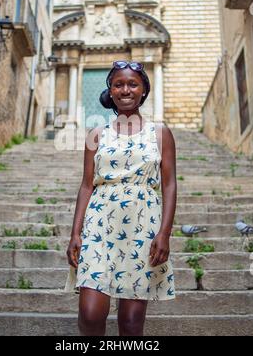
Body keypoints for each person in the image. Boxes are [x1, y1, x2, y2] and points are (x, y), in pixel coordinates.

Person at [64, 60, 177, 336]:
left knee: (131, 322)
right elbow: (86, 185)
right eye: (118, 84)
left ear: (143, 90)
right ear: (111, 91)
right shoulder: (96, 134)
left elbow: (170, 184)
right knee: (90, 314)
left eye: (132, 84)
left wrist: (164, 234)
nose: (125, 89)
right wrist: (75, 233)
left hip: (142, 229)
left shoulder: (160, 133)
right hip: (99, 226)